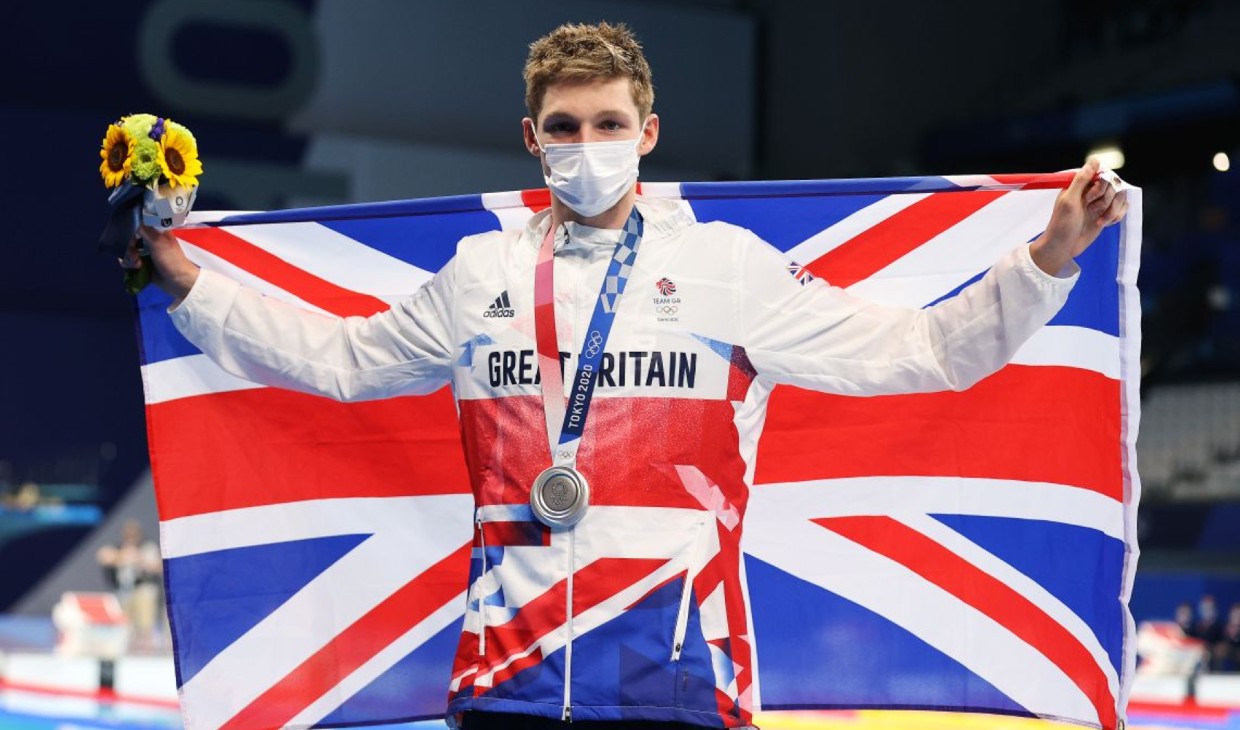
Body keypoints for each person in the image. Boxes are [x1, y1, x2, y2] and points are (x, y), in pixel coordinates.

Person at [122, 21, 1127, 730]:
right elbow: (337, 361)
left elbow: (927, 352)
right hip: (504, 681)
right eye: (564, 126)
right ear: (532, 140)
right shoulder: (483, 276)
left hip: (682, 685)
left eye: (608, 123)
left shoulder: (727, 270)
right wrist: (182, 279)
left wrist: (1046, 259)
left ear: (647, 135)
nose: (586, 146)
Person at [96, 518, 163, 652]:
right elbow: (102, 556)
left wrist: (139, 559)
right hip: (125, 591)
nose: (131, 538)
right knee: (125, 623)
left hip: (143, 588)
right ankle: (128, 649)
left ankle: (146, 648)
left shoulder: (147, 547)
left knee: (145, 621)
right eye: (128, 534)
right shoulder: (120, 548)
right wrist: (122, 557)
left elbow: (159, 566)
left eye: (134, 534)